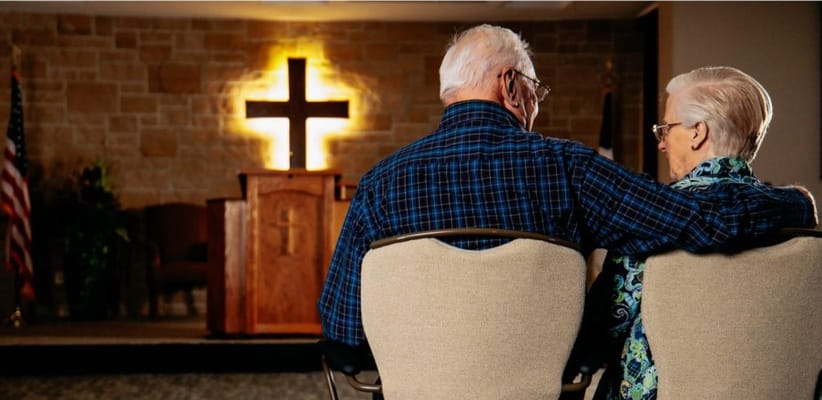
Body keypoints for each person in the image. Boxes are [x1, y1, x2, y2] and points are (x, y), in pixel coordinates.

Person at [317, 23, 816, 385]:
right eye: (535, 90)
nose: (536, 102)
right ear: (512, 86)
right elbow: (704, 222)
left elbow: (342, 335)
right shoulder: (568, 167)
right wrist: (793, 205)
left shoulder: (379, 184)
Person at [584, 66, 812, 400]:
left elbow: (604, 331)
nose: (661, 144)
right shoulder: (798, 215)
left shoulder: (652, 223)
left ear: (697, 133)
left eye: (665, 129)